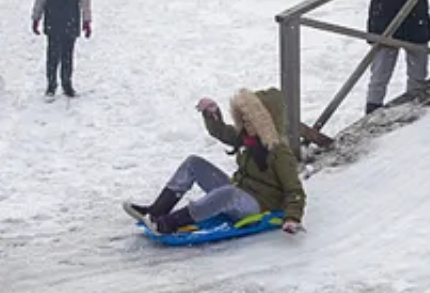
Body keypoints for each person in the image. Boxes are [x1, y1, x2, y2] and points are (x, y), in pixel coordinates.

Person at [123, 87, 306, 235]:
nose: (246, 123)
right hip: (239, 191)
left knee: (227, 194)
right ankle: (156, 211)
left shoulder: (280, 152)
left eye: (252, 120)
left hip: (258, 205)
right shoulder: (248, 138)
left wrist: (292, 218)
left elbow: (295, 191)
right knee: (193, 163)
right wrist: (212, 114)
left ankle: (169, 224)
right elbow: (222, 132)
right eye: (244, 119)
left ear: (266, 122)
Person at [31, 0, 92, 97]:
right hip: (53, 23)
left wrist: (87, 21)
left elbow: (85, 2)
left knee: (67, 57)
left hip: (71, 23)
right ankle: (51, 85)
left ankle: (67, 83)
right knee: (52, 56)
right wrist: (36, 18)